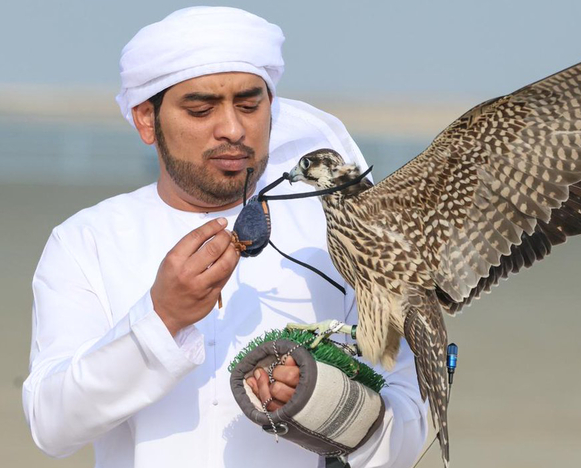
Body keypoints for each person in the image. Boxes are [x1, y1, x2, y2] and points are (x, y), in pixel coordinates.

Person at [22, 7, 427, 467]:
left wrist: (320, 401)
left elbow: (409, 433)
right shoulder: (85, 242)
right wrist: (161, 319)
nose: (233, 129)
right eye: (201, 109)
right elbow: (51, 426)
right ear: (146, 120)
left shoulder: (345, 241)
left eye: (250, 105)